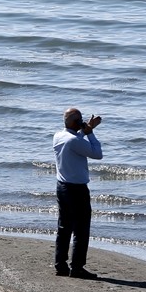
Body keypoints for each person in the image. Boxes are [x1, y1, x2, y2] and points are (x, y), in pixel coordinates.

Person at [53, 107, 103, 279]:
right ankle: (77, 267)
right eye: (80, 120)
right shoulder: (75, 140)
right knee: (81, 229)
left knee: (64, 227)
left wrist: (85, 129)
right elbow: (97, 154)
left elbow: (74, 141)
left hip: (62, 186)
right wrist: (90, 133)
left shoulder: (58, 136)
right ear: (76, 122)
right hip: (77, 189)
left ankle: (60, 265)